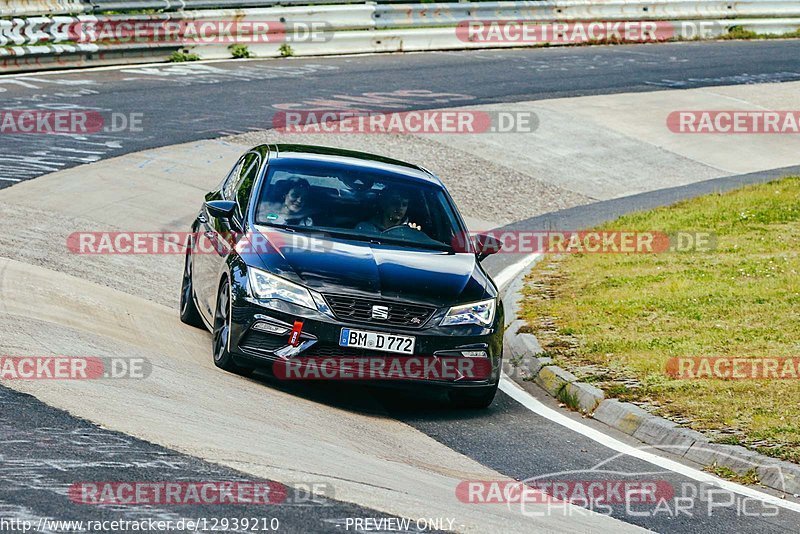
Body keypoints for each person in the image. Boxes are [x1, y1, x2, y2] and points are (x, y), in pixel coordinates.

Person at [356, 185, 421, 233]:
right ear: (383, 204)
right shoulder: (365, 228)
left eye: (404, 204)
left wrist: (415, 234)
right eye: (395, 203)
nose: (400, 207)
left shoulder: (411, 232)